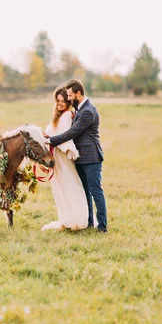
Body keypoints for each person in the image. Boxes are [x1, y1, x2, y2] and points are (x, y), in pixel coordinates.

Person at [48, 79, 107, 233]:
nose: (68, 98)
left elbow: (73, 132)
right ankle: (88, 222)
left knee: (96, 191)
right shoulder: (80, 109)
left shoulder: (88, 111)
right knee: (85, 191)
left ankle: (102, 226)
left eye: (70, 95)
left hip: (91, 158)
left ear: (78, 93)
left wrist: (51, 141)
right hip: (81, 158)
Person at [41, 86, 88, 231]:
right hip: (56, 157)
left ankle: (77, 219)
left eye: (63, 101)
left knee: (69, 185)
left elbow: (64, 135)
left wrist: (50, 139)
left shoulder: (67, 115)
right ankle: (66, 218)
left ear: (68, 102)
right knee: (59, 188)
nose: (60, 103)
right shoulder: (58, 115)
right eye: (58, 101)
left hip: (63, 156)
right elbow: (52, 132)